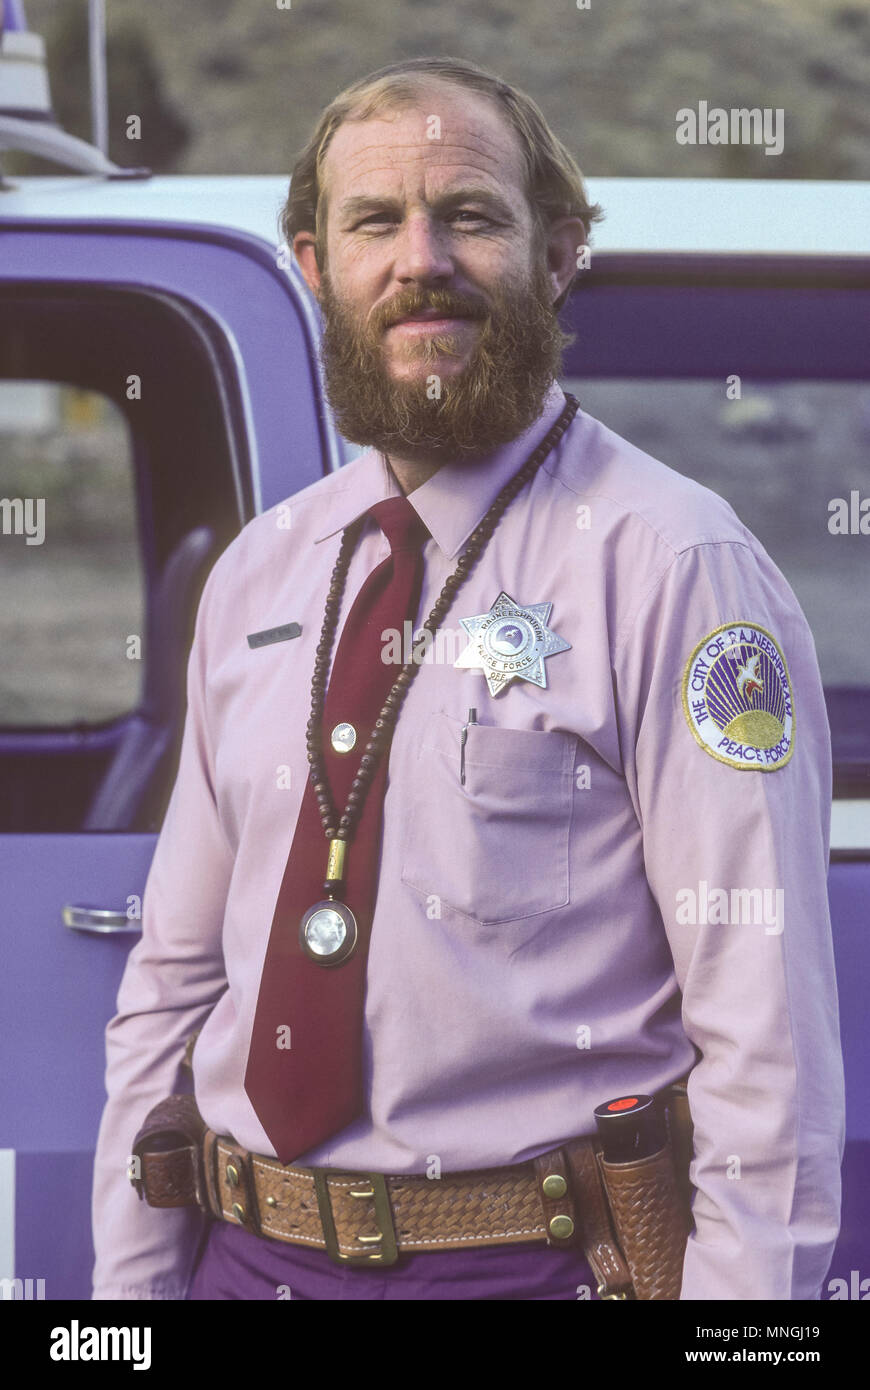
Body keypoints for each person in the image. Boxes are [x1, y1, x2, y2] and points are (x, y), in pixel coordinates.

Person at [91, 56, 844, 1302]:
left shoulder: (677, 562)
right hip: (244, 1261)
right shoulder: (262, 573)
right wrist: (129, 1304)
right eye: (375, 222)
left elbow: (767, 1039)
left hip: (529, 1268)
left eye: (472, 217)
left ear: (557, 253)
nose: (420, 260)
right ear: (315, 264)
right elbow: (172, 982)